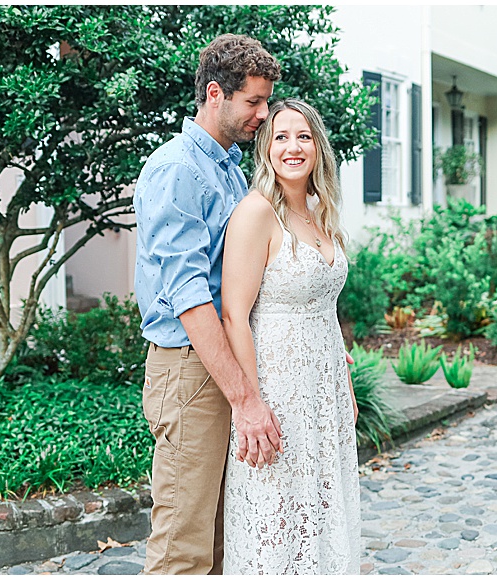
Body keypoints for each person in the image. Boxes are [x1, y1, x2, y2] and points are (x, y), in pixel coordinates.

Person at [133, 34, 283, 575]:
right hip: (190, 369)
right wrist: (245, 399)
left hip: (219, 361)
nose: (264, 115)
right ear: (215, 94)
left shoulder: (229, 167)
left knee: (223, 537)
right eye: (254, 102)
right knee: (184, 544)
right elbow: (189, 295)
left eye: (267, 102)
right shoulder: (178, 168)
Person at [220, 99, 361, 574]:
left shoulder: (322, 214)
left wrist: (346, 383)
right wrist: (251, 404)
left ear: (318, 147)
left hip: (325, 391)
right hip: (278, 389)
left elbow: (327, 307)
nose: (292, 147)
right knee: (276, 515)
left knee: (321, 510)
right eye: (280, 137)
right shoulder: (256, 213)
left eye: (302, 136)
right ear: (266, 148)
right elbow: (234, 316)